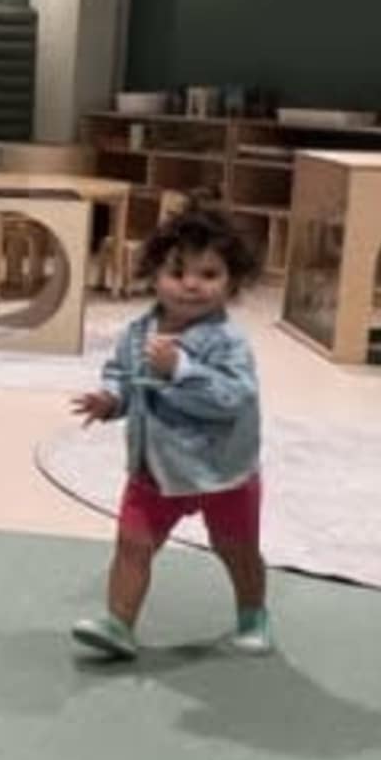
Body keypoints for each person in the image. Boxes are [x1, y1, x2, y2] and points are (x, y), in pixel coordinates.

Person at [65, 202, 273, 659]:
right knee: (132, 544)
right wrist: (111, 399)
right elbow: (122, 373)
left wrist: (181, 368)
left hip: (221, 471)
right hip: (154, 469)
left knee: (236, 549)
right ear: (154, 275)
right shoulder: (138, 332)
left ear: (231, 283)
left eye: (209, 274)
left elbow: (233, 397)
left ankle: (253, 614)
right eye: (178, 272)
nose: (192, 284)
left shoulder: (228, 342)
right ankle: (119, 623)